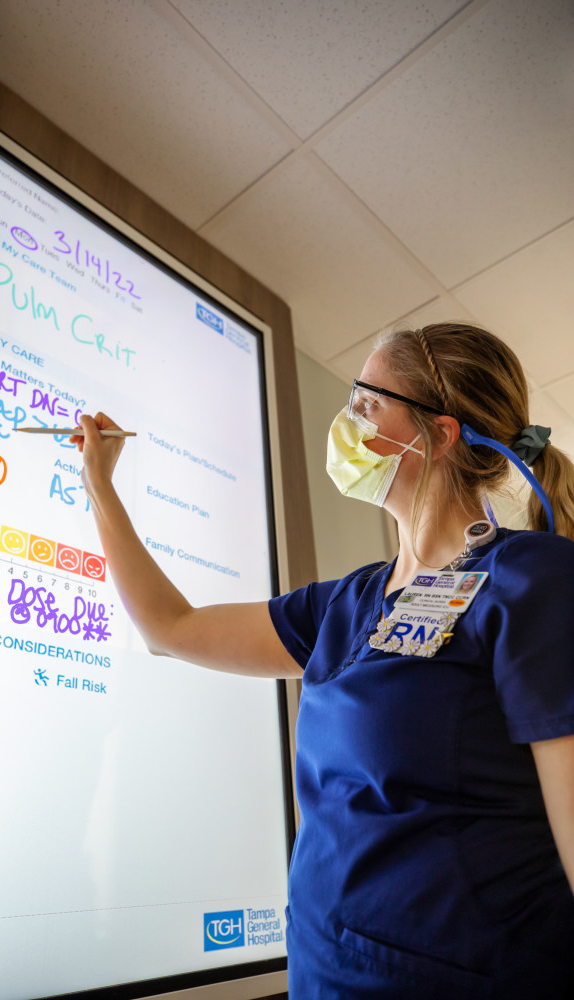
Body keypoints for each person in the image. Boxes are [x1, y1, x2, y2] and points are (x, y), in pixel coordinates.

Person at [72, 323, 574, 999]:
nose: (346, 421)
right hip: (324, 978)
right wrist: (100, 486)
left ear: (439, 433)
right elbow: (171, 628)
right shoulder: (344, 604)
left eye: (366, 404)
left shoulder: (529, 579)